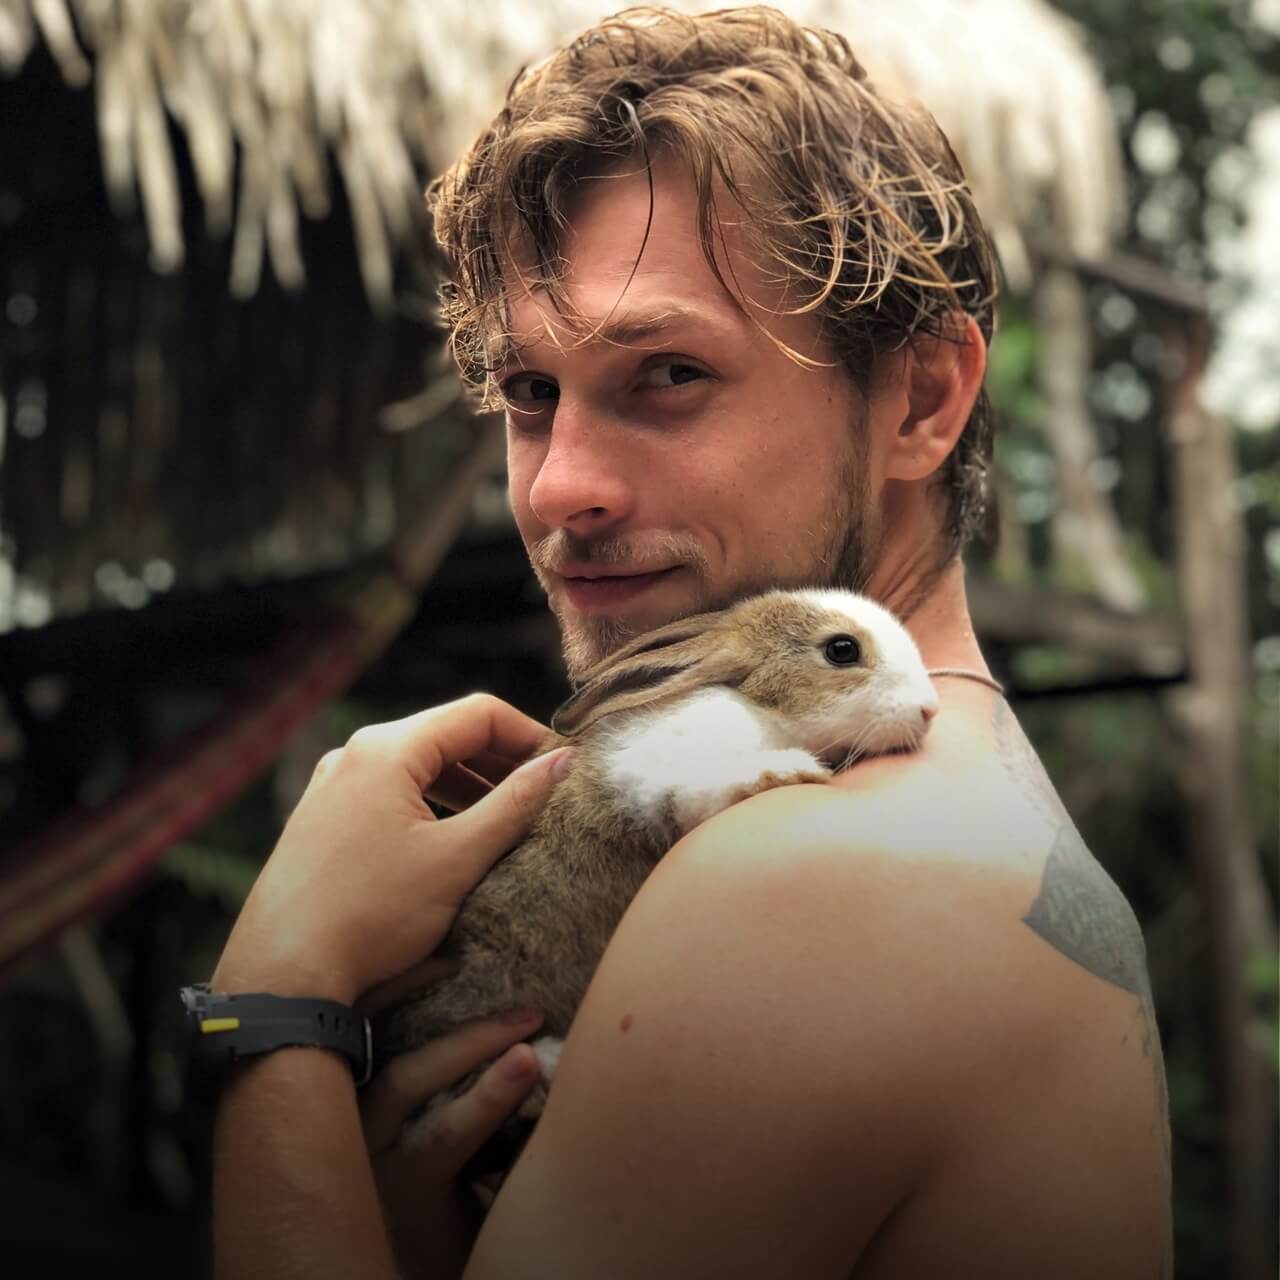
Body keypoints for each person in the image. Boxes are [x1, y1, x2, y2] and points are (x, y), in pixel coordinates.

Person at [209, 7, 1173, 1277]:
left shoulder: (804, 877)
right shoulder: (972, 820)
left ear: (921, 398)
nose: (557, 485)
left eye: (666, 374)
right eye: (529, 392)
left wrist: (271, 999)